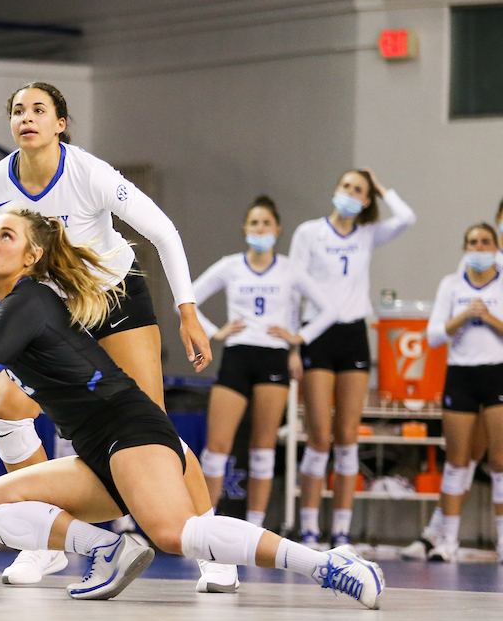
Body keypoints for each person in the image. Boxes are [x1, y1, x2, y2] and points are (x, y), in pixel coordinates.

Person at [0, 210, 383, 609]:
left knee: (174, 534)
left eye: (5, 234)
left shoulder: (30, 300)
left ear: (32, 257)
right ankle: (106, 549)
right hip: (97, 451)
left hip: (130, 429)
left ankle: (329, 565)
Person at [0, 82, 227, 591]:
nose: (27, 118)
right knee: (9, 408)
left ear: (60, 123)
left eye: (39, 109)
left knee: (151, 429)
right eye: (18, 111)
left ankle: (213, 546)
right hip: (50, 312)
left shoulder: (90, 173)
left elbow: (164, 232)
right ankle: (43, 546)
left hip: (113, 299)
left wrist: (188, 311)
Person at [191, 196, 337, 531]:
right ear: (245, 228)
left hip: (273, 356)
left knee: (263, 447)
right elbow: (186, 301)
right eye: (254, 223)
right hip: (237, 355)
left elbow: (329, 310)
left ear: (278, 229)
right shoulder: (230, 265)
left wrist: (299, 337)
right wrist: (215, 333)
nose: (260, 229)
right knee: (217, 447)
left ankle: (254, 529)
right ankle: (205, 526)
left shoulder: (289, 269)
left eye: (266, 223)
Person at [289, 169, 415, 549]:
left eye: (358, 190)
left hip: (353, 334)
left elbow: (407, 218)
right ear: (336, 189)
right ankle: (309, 529)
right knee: (319, 436)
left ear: (366, 200)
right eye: (345, 185)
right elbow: (294, 288)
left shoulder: (367, 233)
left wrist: (381, 186)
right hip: (316, 332)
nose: (349, 192)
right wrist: (293, 345)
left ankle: (341, 530)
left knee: (347, 436)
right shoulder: (309, 233)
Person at [403, 223, 503, 564]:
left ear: (496, 247)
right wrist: (463, 316)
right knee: (457, 460)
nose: (479, 248)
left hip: (496, 373)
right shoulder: (452, 284)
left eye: (486, 242)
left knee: (499, 462)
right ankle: (447, 540)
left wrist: (488, 317)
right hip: (461, 374)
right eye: (473, 242)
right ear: (464, 248)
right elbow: (433, 335)